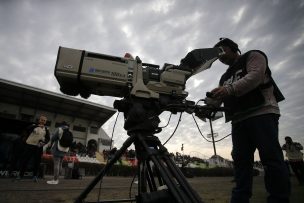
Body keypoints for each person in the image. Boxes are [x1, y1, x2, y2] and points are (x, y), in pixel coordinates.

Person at [207, 38, 290, 203]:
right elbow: (219, 99)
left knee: (271, 158)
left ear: (233, 48)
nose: (220, 57)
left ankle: (279, 199)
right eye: (217, 55)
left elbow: (255, 76)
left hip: (261, 112)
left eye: (222, 51)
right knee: (241, 163)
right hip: (238, 119)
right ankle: (239, 200)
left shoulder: (253, 55)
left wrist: (228, 89)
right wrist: (206, 106)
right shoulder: (224, 77)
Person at [16, 115, 50, 182]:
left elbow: (48, 138)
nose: (43, 121)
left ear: (45, 122)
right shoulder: (33, 126)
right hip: (29, 145)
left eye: (44, 120)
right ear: (39, 120)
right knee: (25, 160)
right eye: (41, 120)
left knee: (37, 162)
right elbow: (26, 129)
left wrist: (43, 142)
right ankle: (20, 175)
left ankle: (34, 176)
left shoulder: (46, 129)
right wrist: (37, 126)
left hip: (38, 147)